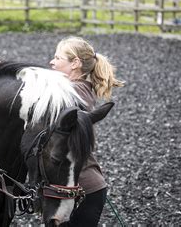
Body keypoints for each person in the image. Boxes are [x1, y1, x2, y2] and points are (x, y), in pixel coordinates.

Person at [49, 36, 124, 226]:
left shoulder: (77, 91)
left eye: (58, 58)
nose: (52, 62)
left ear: (75, 63)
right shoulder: (73, 88)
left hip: (86, 189)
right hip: (70, 187)